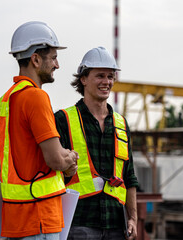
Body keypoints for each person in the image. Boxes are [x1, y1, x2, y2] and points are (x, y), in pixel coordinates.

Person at [0, 21, 78, 239]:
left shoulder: (4, 102)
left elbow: (1, 167)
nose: (57, 65)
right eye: (53, 57)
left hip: (15, 217)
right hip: (40, 216)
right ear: (35, 59)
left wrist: (63, 157)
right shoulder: (36, 97)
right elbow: (55, 160)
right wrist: (70, 159)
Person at [54, 46, 139, 240]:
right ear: (83, 79)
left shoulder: (121, 124)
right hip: (77, 221)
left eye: (110, 76)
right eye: (100, 75)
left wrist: (132, 218)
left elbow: (129, 176)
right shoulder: (63, 119)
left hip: (116, 224)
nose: (106, 82)